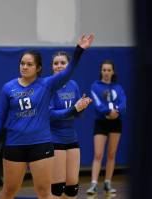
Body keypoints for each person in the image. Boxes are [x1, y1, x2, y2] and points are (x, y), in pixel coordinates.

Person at [0, 34, 94, 199]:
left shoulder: (46, 85)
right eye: (22, 63)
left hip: (41, 144)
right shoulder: (8, 88)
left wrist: (79, 50)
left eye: (29, 64)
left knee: (45, 193)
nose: (24, 67)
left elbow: (68, 72)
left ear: (38, 68)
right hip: (15, 144)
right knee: (9, 191)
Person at [49, 51, 92, 199]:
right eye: (56, 63)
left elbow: (78, 114)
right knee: (57, 188)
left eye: (63, 63)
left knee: (72, 188)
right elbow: (50, 115)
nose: (59, 66)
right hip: (55, 139)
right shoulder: (48, 86)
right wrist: (74, 109)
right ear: (52, 67)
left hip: (71, 138)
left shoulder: (73, 85)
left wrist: (82, 106)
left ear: (68, 66)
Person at [86, 60, 126, 195]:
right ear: (101, 71)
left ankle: (108, 183)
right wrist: (108, 113)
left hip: (116, 123)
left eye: (109, 70)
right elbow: (97, 103)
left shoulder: (118, 88)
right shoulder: (95, 86)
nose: (107, 73)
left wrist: (117, 112)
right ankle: (93, 184)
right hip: (101, 122)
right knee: (98, 154)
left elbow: (123, 102)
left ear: (113, 72)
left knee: (111, 154)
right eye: (104, 70)